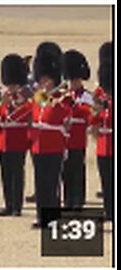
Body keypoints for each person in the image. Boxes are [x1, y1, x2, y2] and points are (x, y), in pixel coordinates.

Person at [30, 42, 72, 228]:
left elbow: (63, 117)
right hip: (38, 145)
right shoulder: (39, 97)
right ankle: (41, 217)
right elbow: (32, 114)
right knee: (41, 185)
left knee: (52, 184)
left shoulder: (62, 98)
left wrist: (54, 101)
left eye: (47, 79)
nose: (44, 83)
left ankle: (52, 218)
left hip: (54, 145)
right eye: (42, 79)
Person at [0, 54, 32, 217]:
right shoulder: (5, 96)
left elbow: (17, 116)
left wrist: (12, 105)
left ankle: (17, 206)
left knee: (16, 174)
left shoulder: (26, 99)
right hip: (3, 141)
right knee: (5, 173)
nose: (10, 87)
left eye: (13, 84)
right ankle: (8, 204)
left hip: (18, 140)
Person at [60, 49, 92, 208]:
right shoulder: (64, 95)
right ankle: (68, 200)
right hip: (64, 140)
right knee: (65, 172)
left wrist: (75, 107)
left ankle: (78, 200)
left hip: (78, 139)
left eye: (75, 80)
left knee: (77, 170)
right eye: (71, 80)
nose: (73, 83)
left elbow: (89, 115)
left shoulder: (87, 97)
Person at [90, 41, 113, 221]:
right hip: (103, 144)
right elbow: (94, 119)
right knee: (106, 180)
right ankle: (108, 211)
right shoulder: (100, 93)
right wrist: (96, 112)